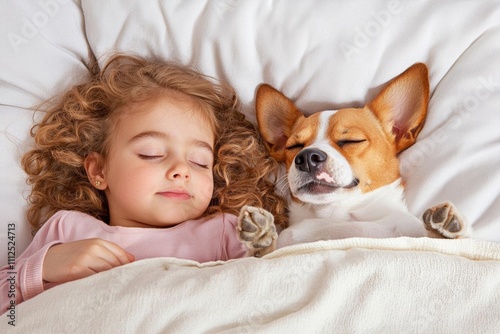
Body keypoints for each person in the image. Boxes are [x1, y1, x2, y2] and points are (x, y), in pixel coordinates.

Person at [0, 54, 287, 311]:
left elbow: (271, 290)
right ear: (99, 170)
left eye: (199, 161)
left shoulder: (224, 232)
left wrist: (260, 250)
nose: (181, 170)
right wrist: (46, 266)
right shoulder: (68, 229)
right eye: (152, 154)